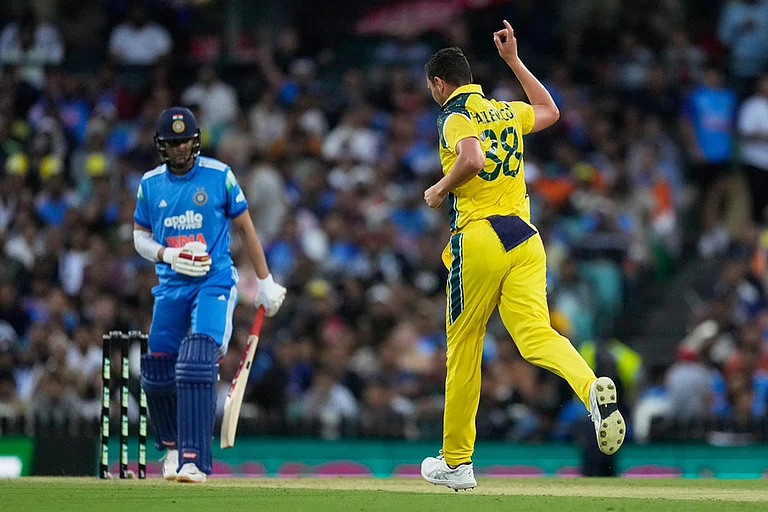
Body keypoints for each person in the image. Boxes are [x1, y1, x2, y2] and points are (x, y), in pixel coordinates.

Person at [419, 22, 625, 491]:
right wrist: (513, 61)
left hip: (480, 238)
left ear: (439, 83)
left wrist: (438, 188)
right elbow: (550, 110)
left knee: (465, 346)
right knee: (536, 335)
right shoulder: (503, 111)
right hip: (525, 238)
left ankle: (457, 462)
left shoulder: (454, 115)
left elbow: (470, 159)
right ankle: (591, 390)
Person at [132, 107, 286, 483]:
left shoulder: (219, 176)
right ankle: (171, 447)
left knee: (197, 360)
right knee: (155, 371)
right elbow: (138, 236)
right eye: (173, 143)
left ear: (196, 141)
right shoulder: (150, 184)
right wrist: (169, 255)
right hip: (170, 286)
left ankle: (194, 460)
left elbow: (248, 231)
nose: (180, 149)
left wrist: (264, 282)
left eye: (185, 141)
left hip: (213, 281)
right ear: (161, 146)